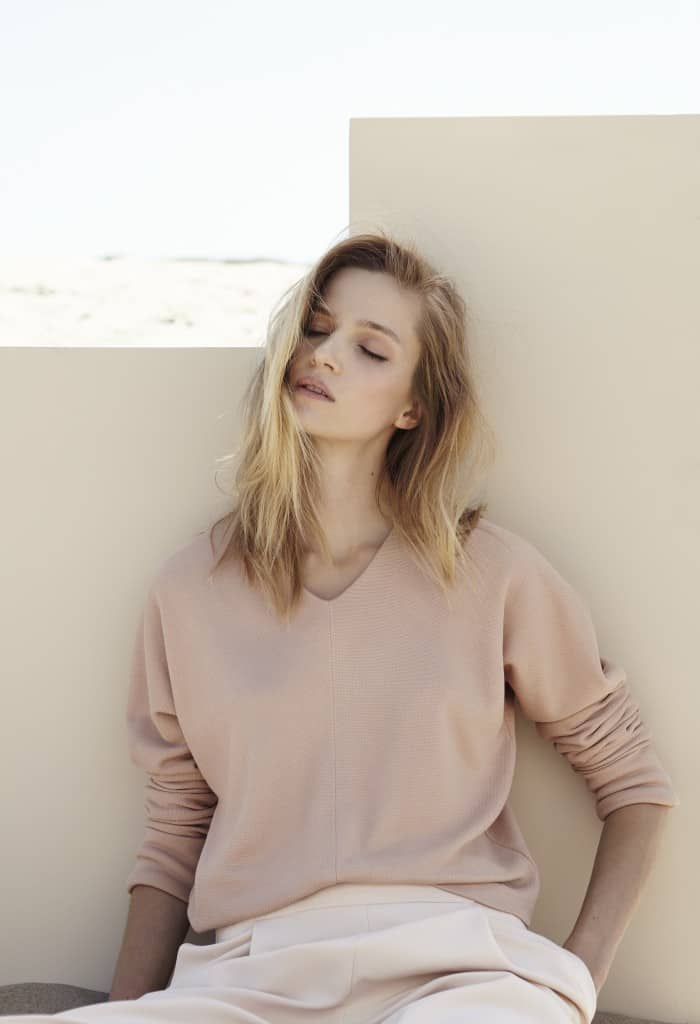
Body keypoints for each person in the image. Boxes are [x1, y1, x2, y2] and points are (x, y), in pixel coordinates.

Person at [10, 230, 679, 1023]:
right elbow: (174, 833)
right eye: (318, 329)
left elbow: (635, 785)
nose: (324, 356)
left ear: (412, 406)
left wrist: (576, 978)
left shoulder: (493, 572)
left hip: (461, 973)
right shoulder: (190, 588)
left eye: (370, 348)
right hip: (252, 973)